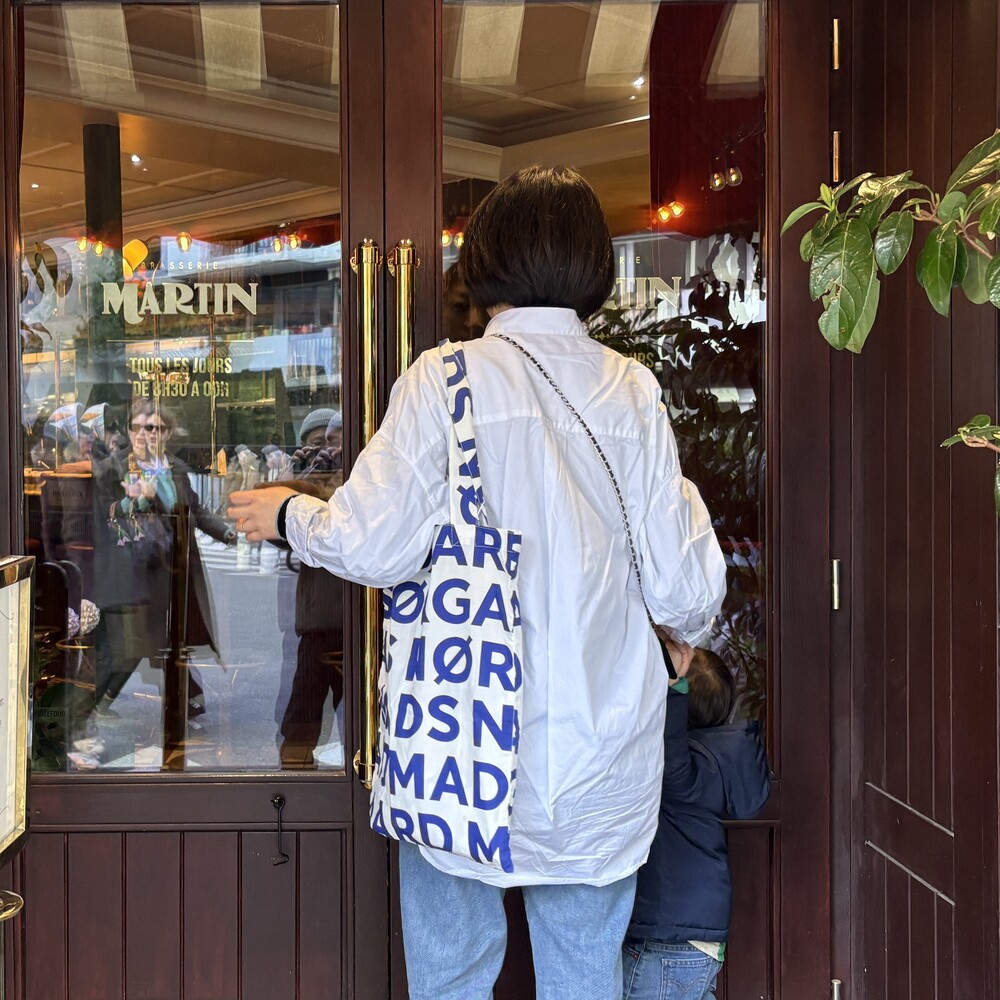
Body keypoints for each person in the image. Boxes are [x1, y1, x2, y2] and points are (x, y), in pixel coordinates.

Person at [229, 164, 726, 1000]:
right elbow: (686, 591)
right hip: (602, 759)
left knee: (452, 980)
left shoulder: (442, 379)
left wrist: (288, 514)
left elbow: (373, 545)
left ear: (487, 260)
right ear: (592, 266)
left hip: (458, 750)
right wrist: (680, 636)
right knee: (584, 979)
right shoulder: (632, 391)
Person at [623, 647, 771, 1000]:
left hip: (668, 939)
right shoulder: (720, 764)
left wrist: (672, 686)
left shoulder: (684, 773)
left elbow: (671, 744)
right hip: (697, 938)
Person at [92, 399, 235, 724]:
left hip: (176, 567)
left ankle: (179, 699)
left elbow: (194, 511)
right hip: (138, 570)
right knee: (147, 640)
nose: (145, 434)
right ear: (129, 431)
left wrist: (226, 532)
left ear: (166, 433)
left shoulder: (175, 469)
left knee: (165, 637)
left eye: (154, 428)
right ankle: (181, 698)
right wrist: (140, 500)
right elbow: (106, 514)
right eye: (138, 428)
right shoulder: (114, 469)